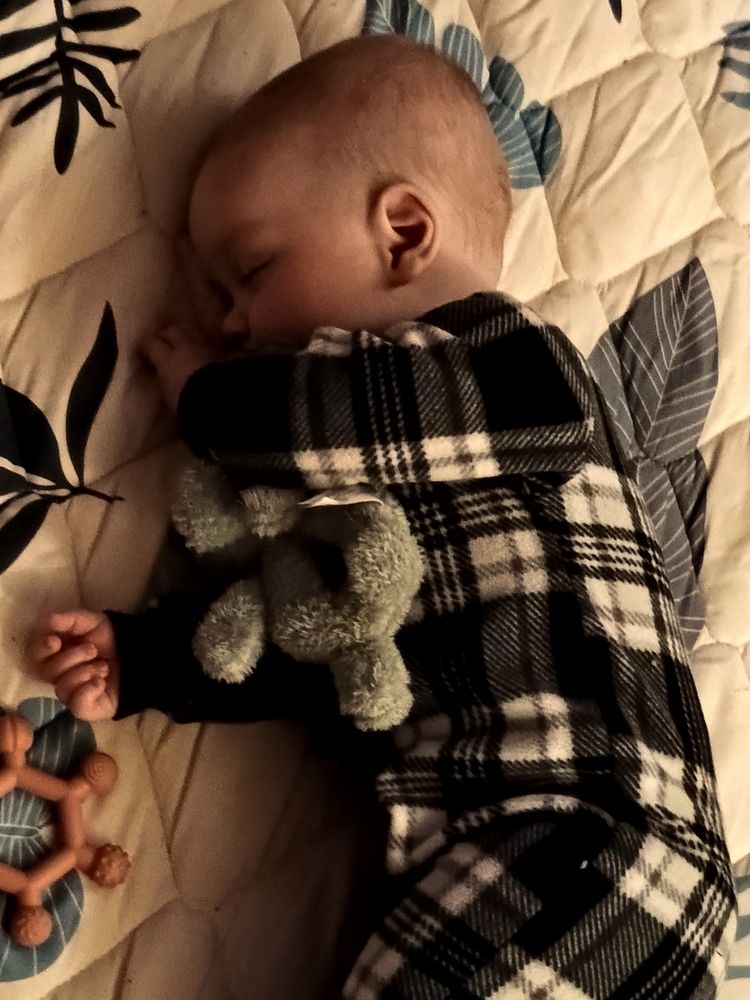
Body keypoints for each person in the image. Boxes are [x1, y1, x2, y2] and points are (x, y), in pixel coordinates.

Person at [27, 34, 734, 999]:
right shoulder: (389, 495)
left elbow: (335, 422)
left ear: (403, 233)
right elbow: (333, 649)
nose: (234, 322)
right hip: (566, 859)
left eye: (255, 268)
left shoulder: (522, 371)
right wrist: (147, 658)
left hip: (605, 839)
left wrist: (211, 399)